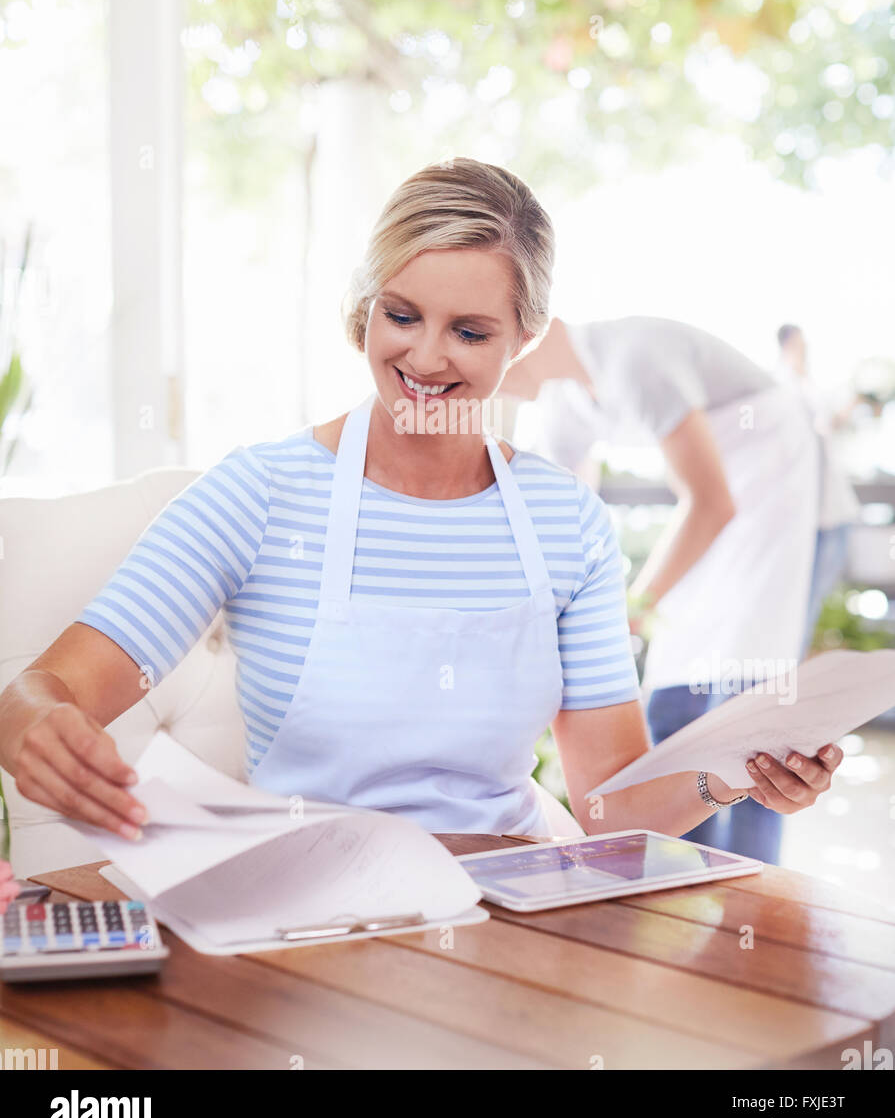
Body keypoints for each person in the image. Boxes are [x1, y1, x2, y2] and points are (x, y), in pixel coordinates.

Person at [0, 160, 841, 853]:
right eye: (400, 316)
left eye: (470, 332)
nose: (425, 357)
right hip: (308, 912)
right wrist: (36, 729)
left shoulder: (565, 522)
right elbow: (43, 689)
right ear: (366, 309)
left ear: (526, 337)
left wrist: (735, 771)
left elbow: (606, 811)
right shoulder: (258, 494)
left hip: (510, 913)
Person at [500, 314, 822, 865]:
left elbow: (713, 501)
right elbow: (555, 514)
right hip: (709, 512)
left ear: (531, 329)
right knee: (678, 684)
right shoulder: (564, 403)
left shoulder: (634, 360)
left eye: (473, 333)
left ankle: (749, 895)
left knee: (746, 701)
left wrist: (628, 608)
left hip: (767, 486)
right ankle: (681, 874)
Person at [776, 324, 860, 657]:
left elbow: (828, 426)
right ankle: (787, 673)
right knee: (801, 603)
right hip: (810, 517)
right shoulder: (785, 386)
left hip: (830, 511)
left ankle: (790, 668)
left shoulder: (805, 384)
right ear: (791, 343)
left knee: (811, 599)